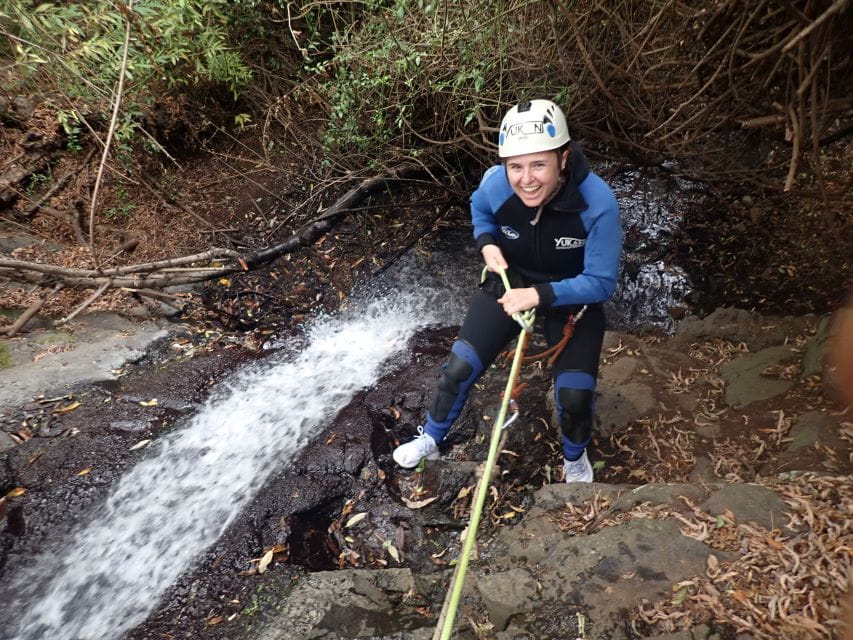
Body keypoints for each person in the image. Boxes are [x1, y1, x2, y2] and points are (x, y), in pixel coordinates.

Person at [393, 99, 622, 483]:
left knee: (574, 396)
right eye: (515, 166)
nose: (526, 179)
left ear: (563, 159)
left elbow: (601, 282)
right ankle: (430, 437)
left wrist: (539, 295)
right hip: (508, 284)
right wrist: (487, 243)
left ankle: (574, 460)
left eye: (538, 165)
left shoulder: (597, 203)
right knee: (459, 367)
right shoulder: (495, 185)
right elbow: (478, 208)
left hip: (572, 301)